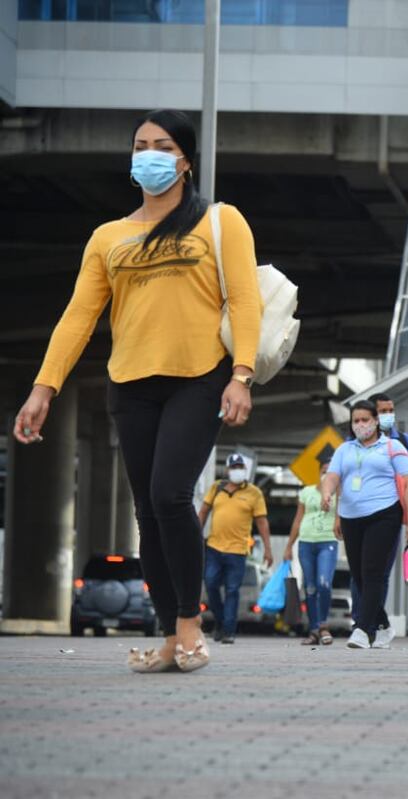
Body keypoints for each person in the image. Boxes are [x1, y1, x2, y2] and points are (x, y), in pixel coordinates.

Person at [14, 109, 262, 673]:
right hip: (131, 383)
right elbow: (79, 316)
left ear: (185, 160)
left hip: (200, 377)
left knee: (172, 494)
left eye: (162, 144)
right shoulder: (109, 237)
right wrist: (43, 388)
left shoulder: (221, 222)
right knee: (148, 511)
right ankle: (171, 637)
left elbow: (246, 301)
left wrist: (241, 375)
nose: (149, 153)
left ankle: (189, 626)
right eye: (140, 145)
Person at [321, 401, 408, 650]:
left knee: (372, 572)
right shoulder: (344, 449)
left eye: (365, 419)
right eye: (356, 421)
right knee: (360, 576)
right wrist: (327, 494)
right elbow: (332, 476)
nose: (360, 425)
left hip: (384, 515)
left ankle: (363, 630)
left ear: (376, 421)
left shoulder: (392, 446)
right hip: (351, 517)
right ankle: (384, 626)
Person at [198, 453, 273, 645]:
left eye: (241, 467)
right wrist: (194, 536)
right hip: (214, 547)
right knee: (211, 583)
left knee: (232, 590)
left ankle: (228, 631)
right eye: (234, 467)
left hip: (238, 551)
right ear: (227, 470)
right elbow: (204, 511)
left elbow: (262, 522)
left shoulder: (254, 493)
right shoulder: (216, 488)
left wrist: (268, 549)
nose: (237, 470)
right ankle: (220, 621)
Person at [283, 454, 338, 646]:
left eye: (329, 472)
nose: (326, 474)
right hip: (306, 543)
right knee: (311, 587)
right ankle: (314, 629)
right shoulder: (306, 492)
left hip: (327, 542)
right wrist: (289, 546)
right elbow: (298, 520)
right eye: (323, 470)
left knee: (324, 583)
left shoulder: (340, 494)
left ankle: (324, 625)